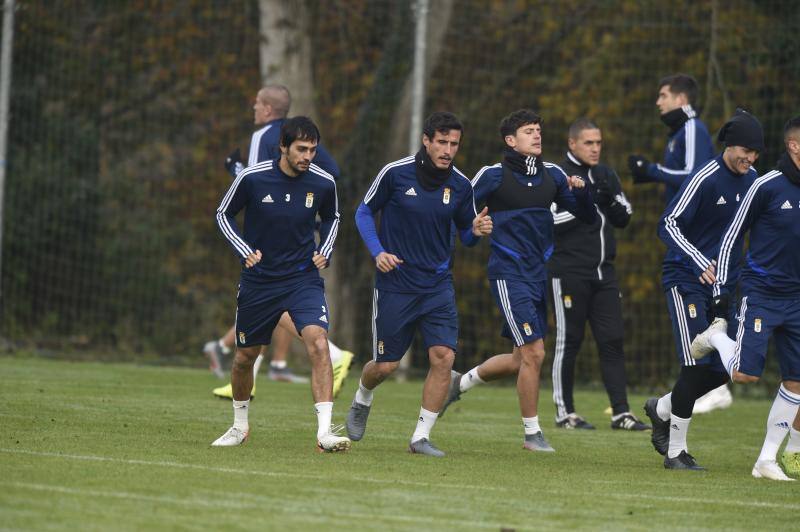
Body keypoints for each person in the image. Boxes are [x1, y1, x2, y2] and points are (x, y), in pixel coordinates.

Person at [439, 109, 597, 452]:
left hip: (538, 274)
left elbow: (587, 217)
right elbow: (458, 218)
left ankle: (459, 384)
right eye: (528, 131)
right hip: (508, 275)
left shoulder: (554, 176)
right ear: (511, 141)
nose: (537, 135)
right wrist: (473, 230)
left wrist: (582, 192)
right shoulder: (492, 176)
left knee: (518, 358)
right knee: (535, 352)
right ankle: (532, 434)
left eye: (538, 130)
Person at [345, 112, 492, 457]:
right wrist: (378, 252)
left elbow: (467, 234)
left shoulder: (460, 185)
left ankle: (420, 437)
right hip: (395, 283)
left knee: (443, 357)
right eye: (442, 142)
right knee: (386, 366)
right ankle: (362, 397)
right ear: (426, 141)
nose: (448, 150)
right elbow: (363, 212)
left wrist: (477, 231)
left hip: (437, 285)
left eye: (454, 144)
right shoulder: (395, 173)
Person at [203, 84, 353, 399]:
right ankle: (268, 368)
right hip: (290, 240)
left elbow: (259, 184)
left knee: (281, 297)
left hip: (273, 245)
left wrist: (236, 171)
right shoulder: (301, 133)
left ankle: (332, 355)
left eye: (257, 103)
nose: (254, 108)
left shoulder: (266, 137)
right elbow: (333, 171)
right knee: (276, 307)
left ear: (269, 109)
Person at [642, 110, 763, 471]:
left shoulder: (754, 180)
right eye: (745, 150)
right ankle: (675, 452)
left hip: (727, 286)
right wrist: (699, 262)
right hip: (685, 281)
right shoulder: (706, 177)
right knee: (695, 362)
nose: (750, 159)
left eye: (756, 153)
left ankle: (662, 408)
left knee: (729, 366)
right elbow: (668, 223)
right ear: (729, 145)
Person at [691, 115, 800, 480]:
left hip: (797, 298)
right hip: (762, 293)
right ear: (794, 145)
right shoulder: (767, 185)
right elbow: (731, 236)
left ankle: (766, 460)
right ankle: (717, 336)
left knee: (797, 380)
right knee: (744, 375)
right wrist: (722, 290)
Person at [628, 73, 729, 414]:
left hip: (693, 247)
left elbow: (692, 176)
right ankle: (679, 401)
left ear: (681, 99)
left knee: (700, 336)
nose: (658, 102)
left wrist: (651, 169)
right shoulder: (677, 134)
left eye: (663, 95)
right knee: (696, 333)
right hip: (685, 245)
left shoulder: (692, 129)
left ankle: (713, 385)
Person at [548, 118, 648, 431]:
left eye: (598, 142)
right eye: (589, 142)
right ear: (572, 143)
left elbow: (625, 216)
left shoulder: (606, 174)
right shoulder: (557, 175)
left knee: (613, 340)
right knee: (570, 341)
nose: (595, 148)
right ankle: (565, 413)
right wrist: (589, 199)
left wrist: (609, 200)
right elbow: (550, 221)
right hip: (569, 272)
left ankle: (621, 413)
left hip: (605, 274)